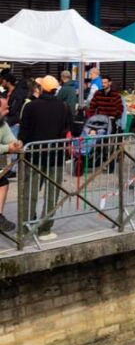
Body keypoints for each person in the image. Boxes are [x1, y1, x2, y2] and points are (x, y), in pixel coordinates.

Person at [18, 76, 73, 240]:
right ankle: (45, 228)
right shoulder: (64, 107)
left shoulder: (30, 107)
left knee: (30, 192)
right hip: (56, 157)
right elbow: (68, 130)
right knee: (52, 193)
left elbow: (23, 133)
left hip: (33, 156)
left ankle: (26, 227)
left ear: (41, 89)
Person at [0, 96, 24, 233]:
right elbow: (6, 147)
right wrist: (6, 148)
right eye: (5, 109)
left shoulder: (2, 123)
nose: (8, 111)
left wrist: (16, 144)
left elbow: (10, 139)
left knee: (2, 182)